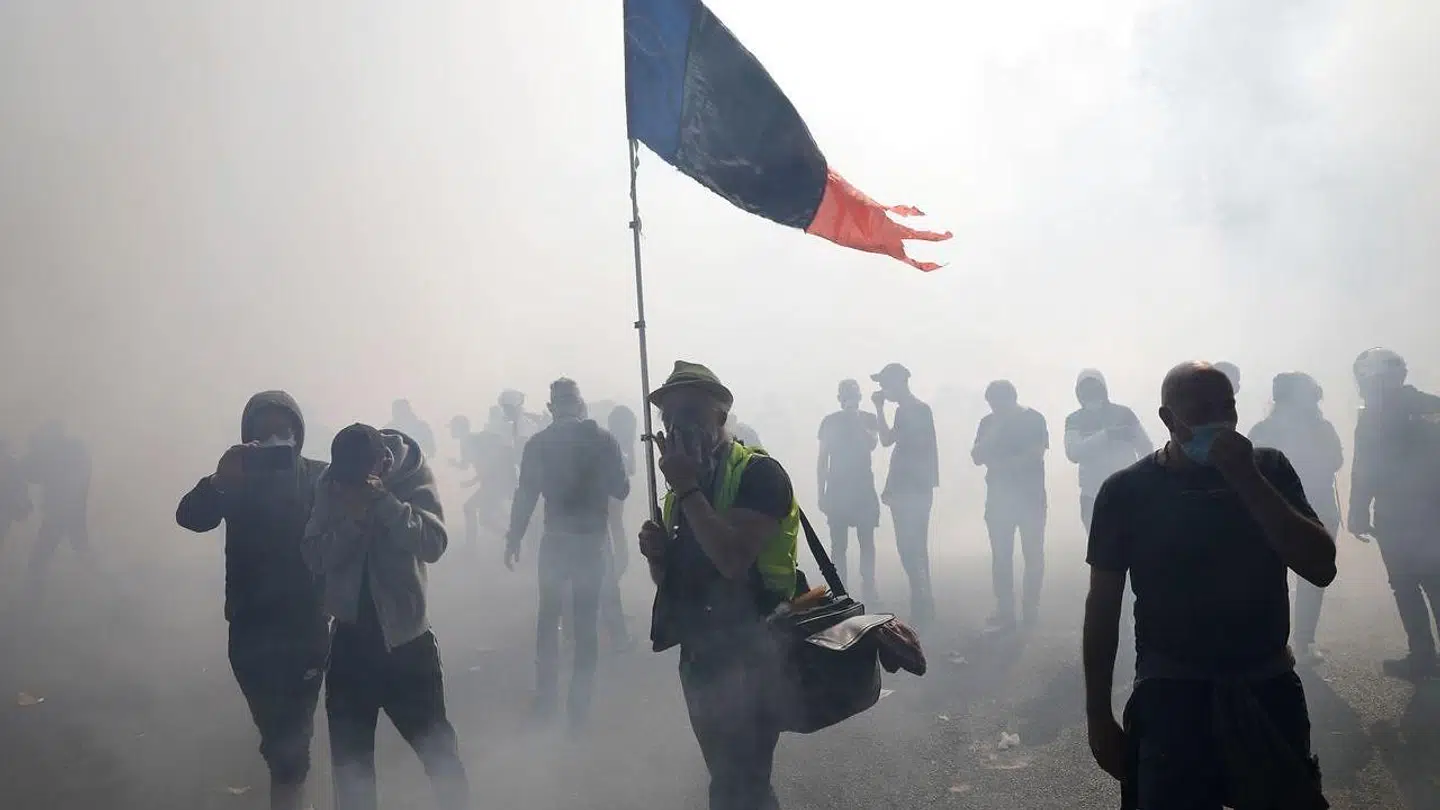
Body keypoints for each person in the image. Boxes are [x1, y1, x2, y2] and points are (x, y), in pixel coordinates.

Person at [1083, 362, 1334, 809]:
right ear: (1168, 420)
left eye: (1227, 408)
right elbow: (1102, 606)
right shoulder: (1126, 492)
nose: (1217, 421)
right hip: (1171, 692)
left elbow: (1320, 567)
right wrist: (1098, 714)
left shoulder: (1269, 469)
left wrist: (1246, 479)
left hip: (1266, 681)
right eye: (1200, 411)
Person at [639, 361, 799, 810]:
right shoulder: (678, 491)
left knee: (737, 785)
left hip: (754, 650)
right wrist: (658, 558)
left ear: (721, 415)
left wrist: (688, 490)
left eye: (691, 412)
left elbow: (732, 561)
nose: (678, 426)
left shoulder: (759, 475)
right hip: (701, 654)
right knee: (733, 778)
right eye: (669, 419)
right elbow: (676, 582)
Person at [175, 392, 331, 810]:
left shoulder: (320, 477)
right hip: (249, 627)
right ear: (247, 439)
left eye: (284, 430)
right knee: (274, 730)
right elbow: (190, 517)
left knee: (294, 739)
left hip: (306, 626)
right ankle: (288, 778)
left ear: (299, 433)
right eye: (263, 433)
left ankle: (291, 789)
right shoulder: (236, 482)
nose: (276, 440)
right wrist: (218, 481)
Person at [303, 424, 468, 810]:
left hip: (407, 642)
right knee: (350, 766)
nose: (351, 486)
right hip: (349, 639)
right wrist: (355, 521)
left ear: (383, 463)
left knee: (438, 754)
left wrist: (387, 506)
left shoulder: (412, 475)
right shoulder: (332, 483)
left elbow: (434, 544)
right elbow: (313, 554)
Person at [505, 379, 631, 730]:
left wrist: (513, 538)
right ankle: (579, 708)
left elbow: (526, 494)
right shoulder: (602, 440)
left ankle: (546, 700)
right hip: (590, 542)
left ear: (550, 407)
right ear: (580, 405)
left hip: (555, 541)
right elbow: (621, 487)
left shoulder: (540, 443)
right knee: (585, 624)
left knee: (549, 621)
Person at [1349, 347, 1440, 679]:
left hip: (1396, 515)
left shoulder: (1373, 416)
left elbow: (1366, 469)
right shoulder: (1434, 404)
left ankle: (1423, 657)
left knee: (1405, 585)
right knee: (1437, 582)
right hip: (1435, 512)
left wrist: (1358, 512)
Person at [1249, 373, 1344, 663]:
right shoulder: (1316, 427)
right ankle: (1299, 642)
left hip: (1297, 506)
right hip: (1295, 506)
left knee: (1282, 573)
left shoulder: (1264, 428)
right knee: (1283, 574)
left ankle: (1290, 641)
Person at [971, 380, 1049, 631]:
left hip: (1031, 498)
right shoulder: (988, 422)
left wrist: (999, 463)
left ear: (1011, 399)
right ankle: (1005, 610)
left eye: (998, 404)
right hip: (998, 500)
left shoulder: (1034, 419)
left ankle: (1030, 609)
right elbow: (976, 456)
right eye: (992, 405)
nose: (995, 409)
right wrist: (994, 432)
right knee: (1001, 557)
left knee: (1033, 555)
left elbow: (1035, 454)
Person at [872, 362, 938, 626]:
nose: (883, 390)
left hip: (911, 488)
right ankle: (922, 602)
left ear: (898, 382)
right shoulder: (916, 410)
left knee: (911, 547)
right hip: (915, 487)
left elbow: (887, 440)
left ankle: (923, 603)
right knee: (915, 547)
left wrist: (878, 409)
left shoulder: (913, 410)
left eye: (885, 384)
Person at [1064, 369, 1153, 532]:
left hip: (1127, 490)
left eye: (1094, 387)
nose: (1090, 392)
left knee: (1133, 543)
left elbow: (1145, 447)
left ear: (1104, 388)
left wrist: (1143, 480)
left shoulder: (1125, 413)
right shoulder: (1074, 420)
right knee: (1100, 549)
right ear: (1078, 393)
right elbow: (1073, 453)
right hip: (1092, 494)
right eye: (1084, 388)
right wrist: (1106, 435)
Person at [817, 379, 881, 602]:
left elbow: (873, 443)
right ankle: (840, 587)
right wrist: (820, 492)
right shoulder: (830, 422)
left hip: (862, 487)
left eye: (853, 394)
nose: (849, 398)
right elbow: (822, 458)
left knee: (867, 540)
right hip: (837, 488)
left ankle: (869, 585)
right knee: (838, 543)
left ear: (860, 397)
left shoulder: (868, 419)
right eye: (845, 394)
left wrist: (856, 421)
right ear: (839, 398)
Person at [22, 421, 94, 594]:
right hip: (70, 512)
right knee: (83, 551)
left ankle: (32, 599)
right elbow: (34, 473)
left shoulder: (61, 454)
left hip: (60, 514)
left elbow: (33, 473)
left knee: (38, 559)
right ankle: (118, 589)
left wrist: (32, 452)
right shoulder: (71, 452)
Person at [603, 403, 641, 650]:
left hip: (612, 518)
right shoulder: (609, 447)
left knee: (618, 566)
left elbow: (633, 470)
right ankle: (615, 632)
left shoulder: (615, 445)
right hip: (605, 519)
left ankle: (601, 612)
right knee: (611, 572)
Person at [0, 438, 32, 554]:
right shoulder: (13, 465)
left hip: (4, 509)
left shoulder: (12, 465)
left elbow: (20, 486)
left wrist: (24, 502)